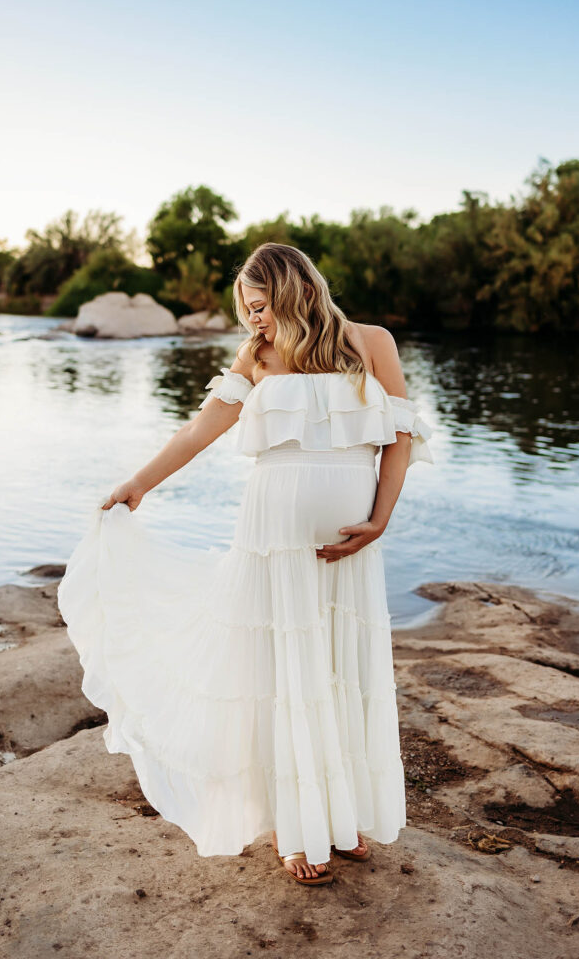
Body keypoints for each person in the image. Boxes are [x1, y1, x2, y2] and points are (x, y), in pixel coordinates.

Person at [57, 242, 433, 886]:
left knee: (341, 670)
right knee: (284, 676)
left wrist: (380, 520)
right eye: (247, 310)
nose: (253, 321)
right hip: (273, 536)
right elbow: (198, 431)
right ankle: (294, 825)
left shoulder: (373, 342)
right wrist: (138, 484)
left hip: (351, 542)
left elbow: (401, 438)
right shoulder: (255, 358)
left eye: (258, 306)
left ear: (293, 291)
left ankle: (339, 819)